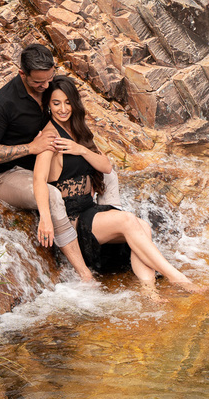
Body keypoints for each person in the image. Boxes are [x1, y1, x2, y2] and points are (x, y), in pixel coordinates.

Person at [32, 76, 199, 292]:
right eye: (56, 103)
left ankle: (150, 293)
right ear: (48, 106)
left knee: (144, 226)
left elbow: (106, 166)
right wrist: (45, 218)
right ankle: (177, 278)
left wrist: (80, 149)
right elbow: (38, 180)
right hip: (74, 222)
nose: (63, 109)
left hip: (90, 212)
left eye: (67, 102)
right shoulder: (50, 138)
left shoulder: (77, 131)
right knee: (128, 220)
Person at [0, 44, 120, 281]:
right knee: (52, 195)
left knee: (107, 173)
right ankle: (85, 275)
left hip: (46, 167)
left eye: (49, 79)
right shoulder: (3, 103)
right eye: (38, 83)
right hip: (8, 175)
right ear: (23, 74)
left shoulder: (51, 87)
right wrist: (31, 148)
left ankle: (107, 230)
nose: (45, 87)